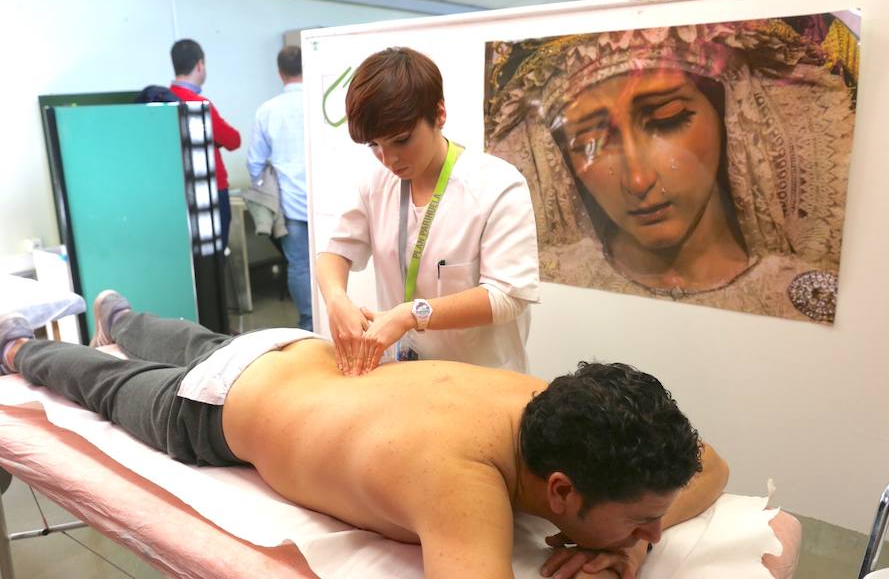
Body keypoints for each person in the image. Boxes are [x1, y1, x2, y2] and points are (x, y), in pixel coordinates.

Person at [0, 292, 727, 579]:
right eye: (642, 520)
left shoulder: (559, 405)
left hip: (294, 350)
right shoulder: (463, 479)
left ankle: (125, 319)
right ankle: (17, 351)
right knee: (103, 384)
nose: (657, 533)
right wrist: (622, 557)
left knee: (193, 336)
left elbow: (713, 466)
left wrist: (624, 542)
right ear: (562, 492)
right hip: (215, 410)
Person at [485, 15, 857, 324]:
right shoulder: (554, 279)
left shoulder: (797, 297)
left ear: (731, 118)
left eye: (668, 119)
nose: (638, 180)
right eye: (590, 144)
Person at [317, 47, 540, 376]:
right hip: (405, 377)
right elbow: (335, 252)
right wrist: (336, 300)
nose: (388, 159)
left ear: (439, 114)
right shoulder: (375, 182)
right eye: (375, 146)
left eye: (401, 140)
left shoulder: (497, 186)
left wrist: (413, 314)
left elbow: (507, 297)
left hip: (480, 378)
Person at [247, 45, 312, 331]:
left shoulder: (267, 111)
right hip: (328, 205)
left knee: (299, 266)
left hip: (291, 206)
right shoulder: (322, 103)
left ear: (280, 73)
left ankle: (308, 325)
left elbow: (254, 163)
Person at [169, 38, 242, 250]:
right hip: (211, 193)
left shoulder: (162, 100)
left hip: (178, 193)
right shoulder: (199, 104)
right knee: (214, 258)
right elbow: (232, 140)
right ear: (200, 65)